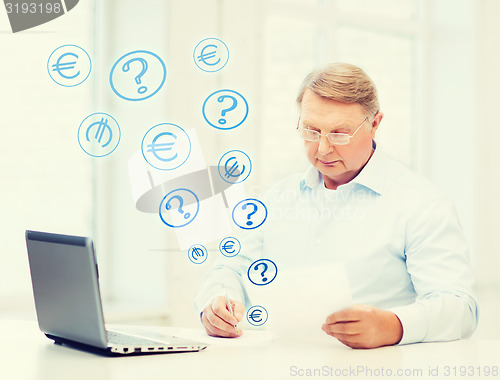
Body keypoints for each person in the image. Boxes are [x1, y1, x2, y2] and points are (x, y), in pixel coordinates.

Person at [194, 62, 478, 349]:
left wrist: (393, 325)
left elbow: (459, 307)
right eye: (311, 131)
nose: (323, 149)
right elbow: (229, 268)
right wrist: (217, 304)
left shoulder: (421, 205)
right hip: (276, 365)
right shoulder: (275, 198)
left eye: (340, 134)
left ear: (375, 124)